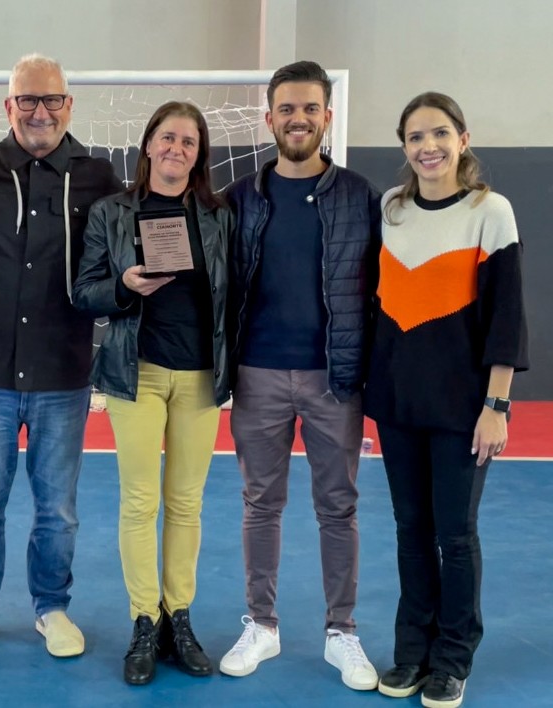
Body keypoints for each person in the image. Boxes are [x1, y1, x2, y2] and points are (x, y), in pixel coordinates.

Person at [0, 53, 122, 660]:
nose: (40, 111)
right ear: (8, 106)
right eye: (27, 100)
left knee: (58, 511)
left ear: (69, 105)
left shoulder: (98, 177)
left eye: (51, 100)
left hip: (63, 374)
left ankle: (52, 607)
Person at [220, 60, 381, 691]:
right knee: (261, 504)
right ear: (269, 118)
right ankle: (262, 624)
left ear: (327, 117)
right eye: (287, 108)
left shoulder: (361, 196)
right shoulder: (239, 198)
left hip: (332, 378)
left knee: (338, 507)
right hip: (257, 374)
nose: (298, 119)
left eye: (310, 108)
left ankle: (342, 631)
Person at [365, 92, 529, 708]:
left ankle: (453, 658)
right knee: (411, 530)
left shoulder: (492, 212)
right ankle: (413, 651)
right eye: (415, 137)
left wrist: (497, 406)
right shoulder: (392, 208)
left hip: (463, 409)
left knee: (455, 536)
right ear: (404, 147)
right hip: (398, 404)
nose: (427, 146)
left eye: (439, 133)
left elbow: (506, 317)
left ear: (462, 138)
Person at [73, 101, 232, 685]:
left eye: (188, 141)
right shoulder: (111, 212)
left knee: (186, 504)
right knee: (140, 502)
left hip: (199, 379)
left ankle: (178, 618)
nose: (176, 149)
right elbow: (83, 291)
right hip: (133, 373)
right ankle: (144, 620)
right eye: (167, 138)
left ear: (200, 153)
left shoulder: (219, 214)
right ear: (147, 144)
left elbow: (235, 293)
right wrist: (124, 284)